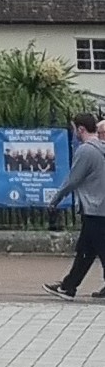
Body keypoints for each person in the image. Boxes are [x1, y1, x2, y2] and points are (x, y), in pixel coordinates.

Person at [49, 116, 105, 298]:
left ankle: (68, 287)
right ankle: (68, 286)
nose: (74, 133)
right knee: (86, 250)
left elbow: (73, 180)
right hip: (99, 207)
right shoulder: (101, 148)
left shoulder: (86, 150)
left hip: (95, 208)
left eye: (74, 129)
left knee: (96, 250)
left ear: (81, 129)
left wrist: (56, 199)